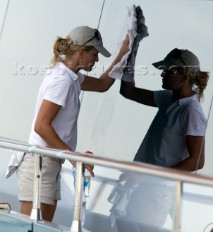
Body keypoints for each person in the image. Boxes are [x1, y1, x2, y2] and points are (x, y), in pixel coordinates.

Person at [16, 25, 128, 222]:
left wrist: (123, 54)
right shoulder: (63, 81)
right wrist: (75, 158)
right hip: (40, 164)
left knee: (44, 226)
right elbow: (41, 126)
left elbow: (103, 85)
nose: (97, 59)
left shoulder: (72, 77)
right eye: (94, 54)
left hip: (49, 163)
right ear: (81, 53)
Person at [117, 44, 209, 231]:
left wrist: (146, 177)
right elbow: (128, 91)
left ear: (183, 76)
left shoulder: (192, 111)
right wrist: (133, 51)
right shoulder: (168, 98)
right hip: (142, 186)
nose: (162, 74)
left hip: (157, 193)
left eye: (168, 71)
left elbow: (197, 161)